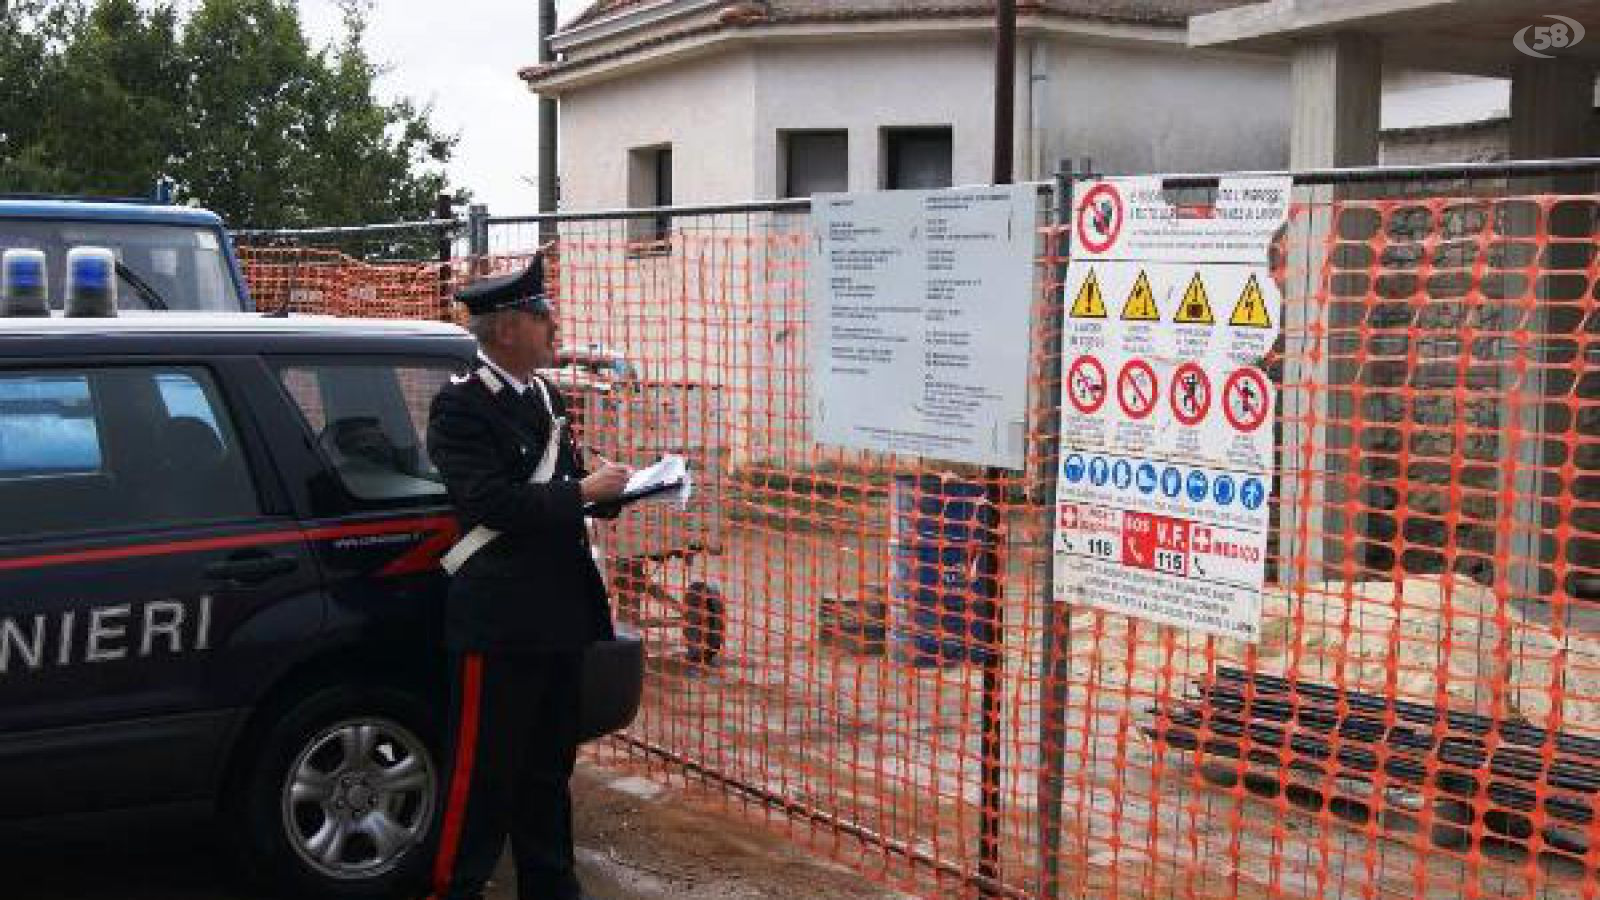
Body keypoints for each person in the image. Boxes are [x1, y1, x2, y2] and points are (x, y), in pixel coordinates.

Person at [424, 252, 631, 900]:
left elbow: (562, 485)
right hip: (501, 619)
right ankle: (457, 885)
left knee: (548, 768)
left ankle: (551, 882)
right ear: (508, 328)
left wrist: (619, 489)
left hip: (559, 613)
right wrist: (581, 492)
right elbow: (491, 504)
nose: (554, 327)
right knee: (483, 774)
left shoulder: (546, 395)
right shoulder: (460, 408)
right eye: (543, 316)